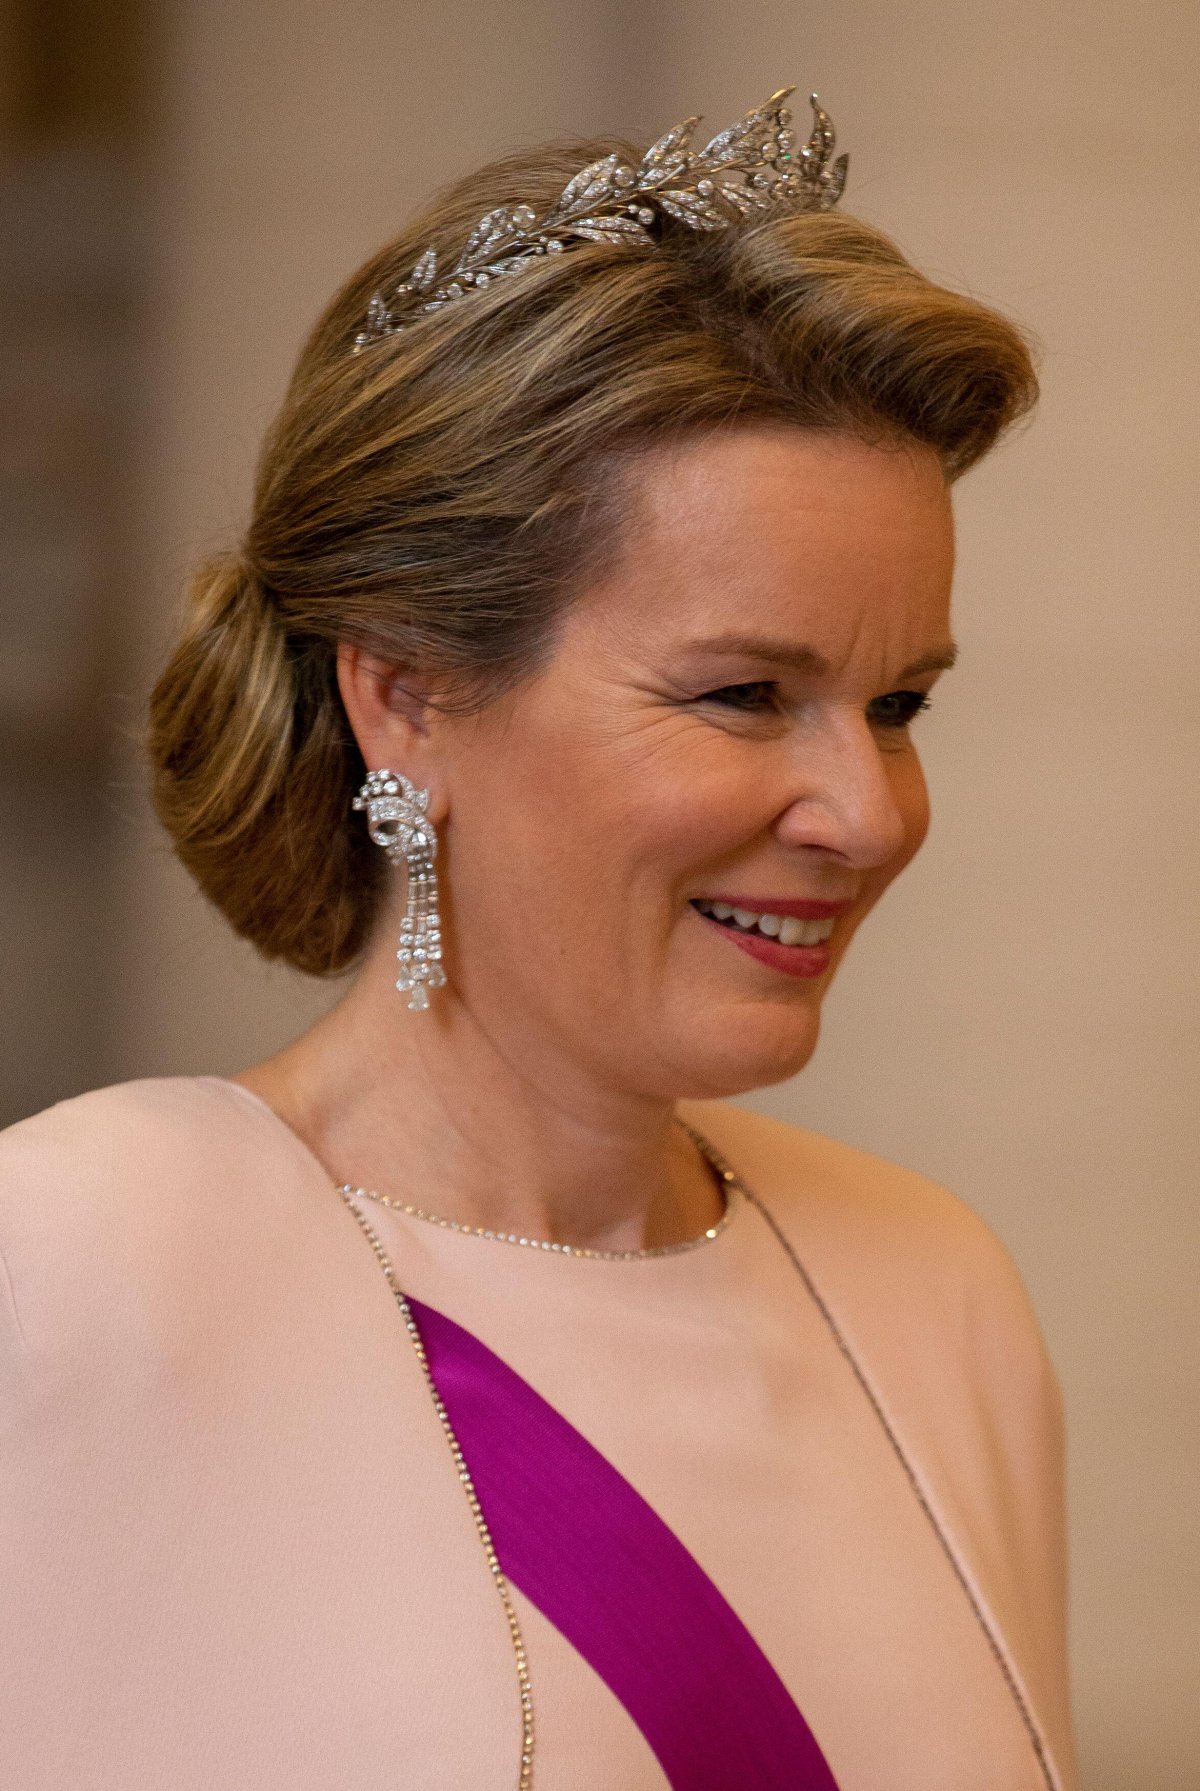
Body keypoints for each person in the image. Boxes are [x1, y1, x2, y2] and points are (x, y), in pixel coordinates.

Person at [0, 87, 1075, 1791]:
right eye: (746, 694)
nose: (865, 815)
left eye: (897, 703)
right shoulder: (84, 1261)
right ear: (406, 692)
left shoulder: (933, 1290)